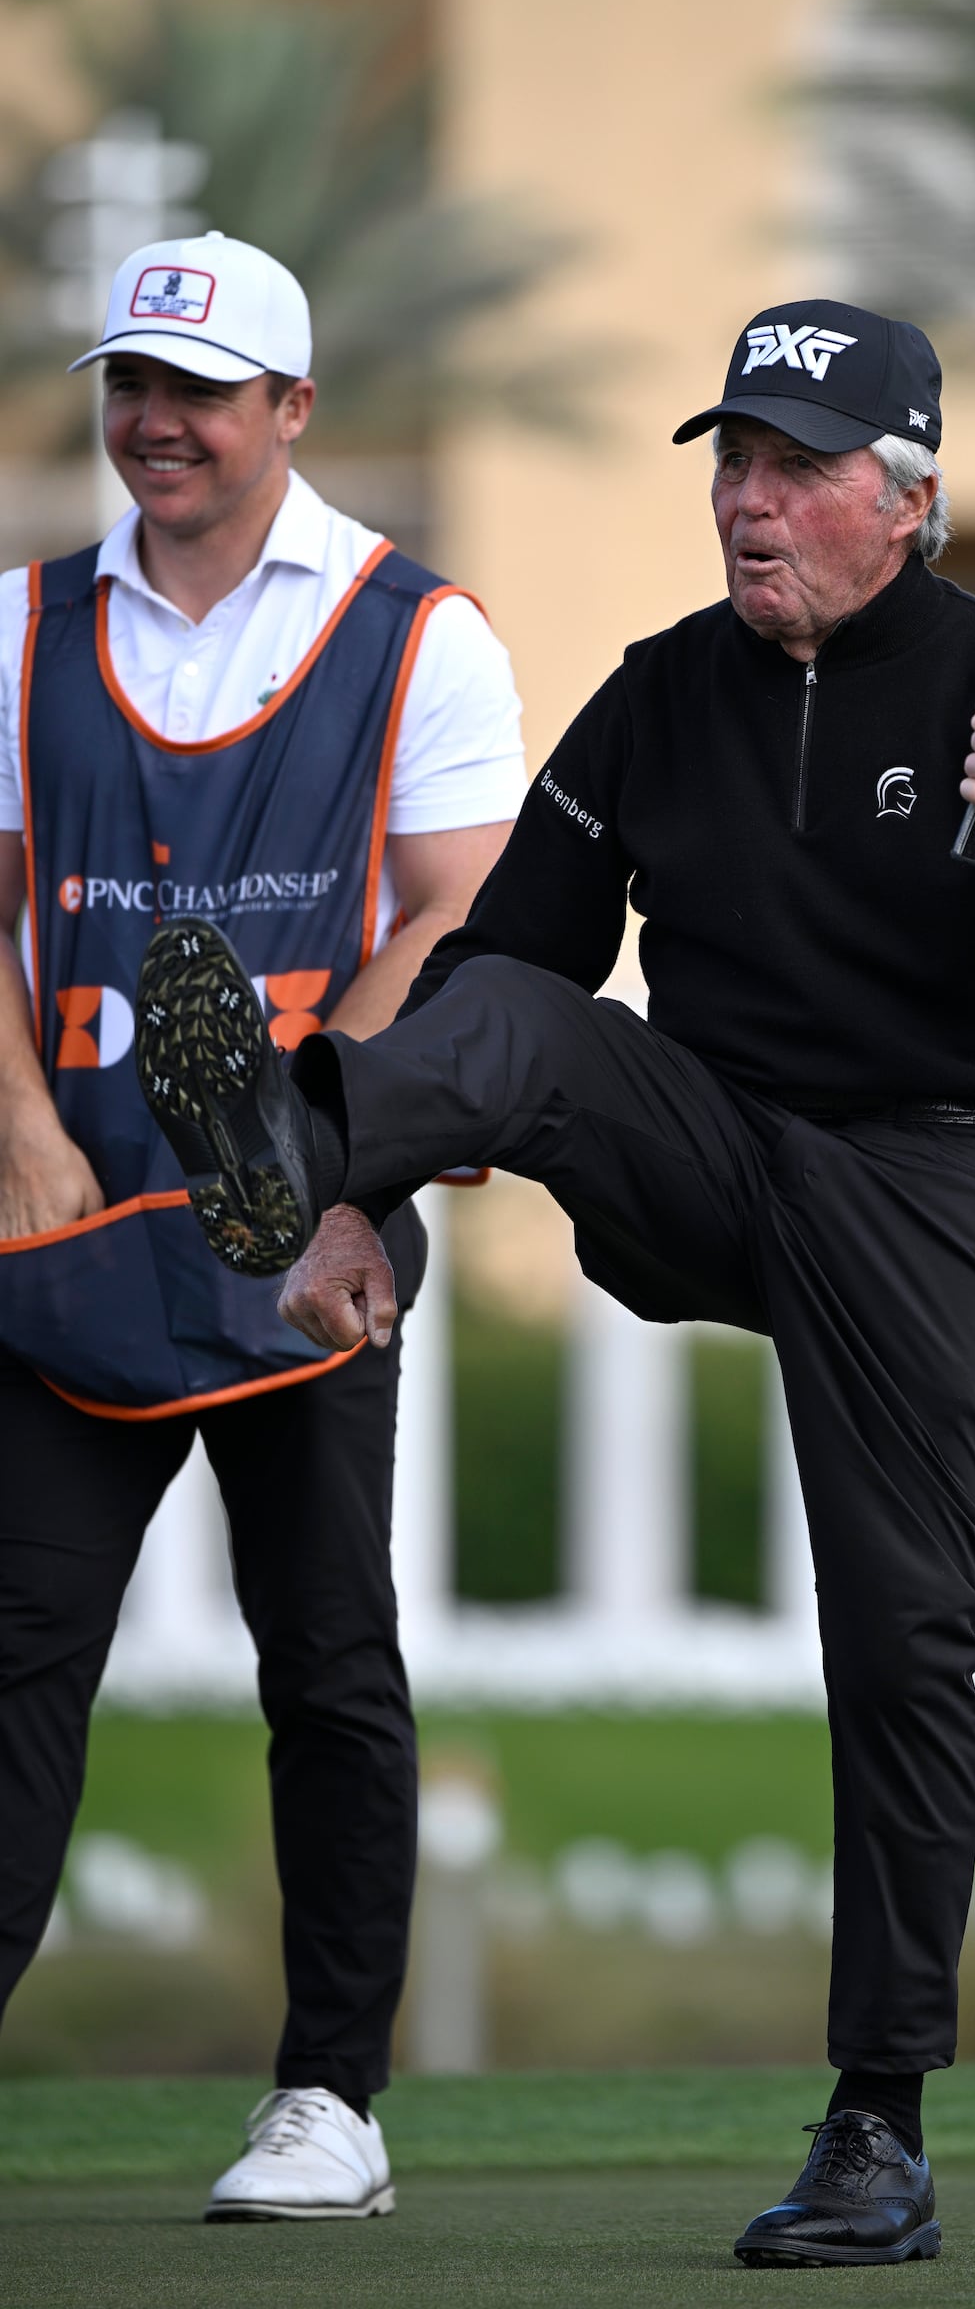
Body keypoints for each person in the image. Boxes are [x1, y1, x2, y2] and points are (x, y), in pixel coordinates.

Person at [136, 298, 975, 2266]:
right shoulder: (660, 691)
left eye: (794, 467)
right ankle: (287, 1153)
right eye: (731, 461)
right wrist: (365, 1206)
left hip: (923, 1194)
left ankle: (877, 2131)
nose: (747, 501)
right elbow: (496, 957)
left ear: (907, 496)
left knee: (896, 1645)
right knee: (515, 1010)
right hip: (703, 1142)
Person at [0, 232, 522, 2218]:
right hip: (61, 1239)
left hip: (306, 1235)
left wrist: (335, 1168)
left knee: (324, 1655)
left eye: (199, 395)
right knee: (17, 1648)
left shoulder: (420, 631)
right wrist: (22, 1138)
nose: (154, 424)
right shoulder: (22, 624)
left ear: (289, 411)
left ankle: (331, 2108)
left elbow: (457, 916)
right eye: (130, 385)